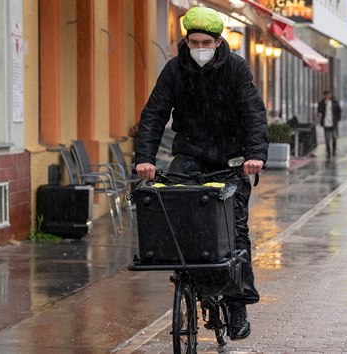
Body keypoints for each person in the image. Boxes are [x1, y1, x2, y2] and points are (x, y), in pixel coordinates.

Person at [133, 6, 268, 341]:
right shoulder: (174, 70)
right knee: (182, 217)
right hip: (190, 155)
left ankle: (237, 304)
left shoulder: (235, 69)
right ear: (186, 40)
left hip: (230, 159)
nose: (199, 48)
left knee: (235, 230)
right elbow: (154, 114)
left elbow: (254, 114)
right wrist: (144, 159)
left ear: (219, 42)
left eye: (206, 42)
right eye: (194, 41)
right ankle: (190, 279)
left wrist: (255, 155)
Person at [316, 90, 341, 159]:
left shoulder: (335, 102)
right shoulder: (322, 103)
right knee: (327, 138)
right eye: (326, 95)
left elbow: (339, 111)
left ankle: (333, 151)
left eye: (328, 95)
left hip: (333, 122)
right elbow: (319, 111)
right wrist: (325, 105)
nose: (327, 96)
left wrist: (338, 119)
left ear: (330, 95)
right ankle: (328, 152)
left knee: (334, 137)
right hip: (326, 122)